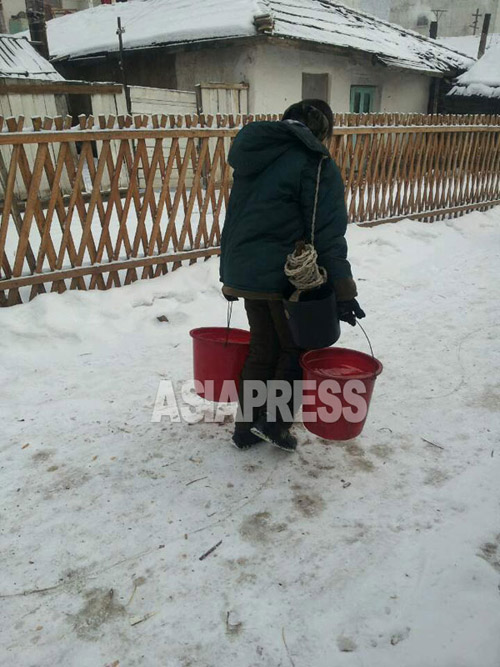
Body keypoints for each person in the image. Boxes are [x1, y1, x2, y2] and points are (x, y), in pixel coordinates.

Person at [219, 99, 365, 452]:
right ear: (321, 131)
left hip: (247, 271)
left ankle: (246, 426)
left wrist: (230, 273)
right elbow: (327, 232)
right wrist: (342, 290)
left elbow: (237, 216)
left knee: (262, 347)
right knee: (296, 349)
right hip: (288, 274)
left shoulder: (254, 154)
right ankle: (275, 423)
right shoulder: (315, 163)